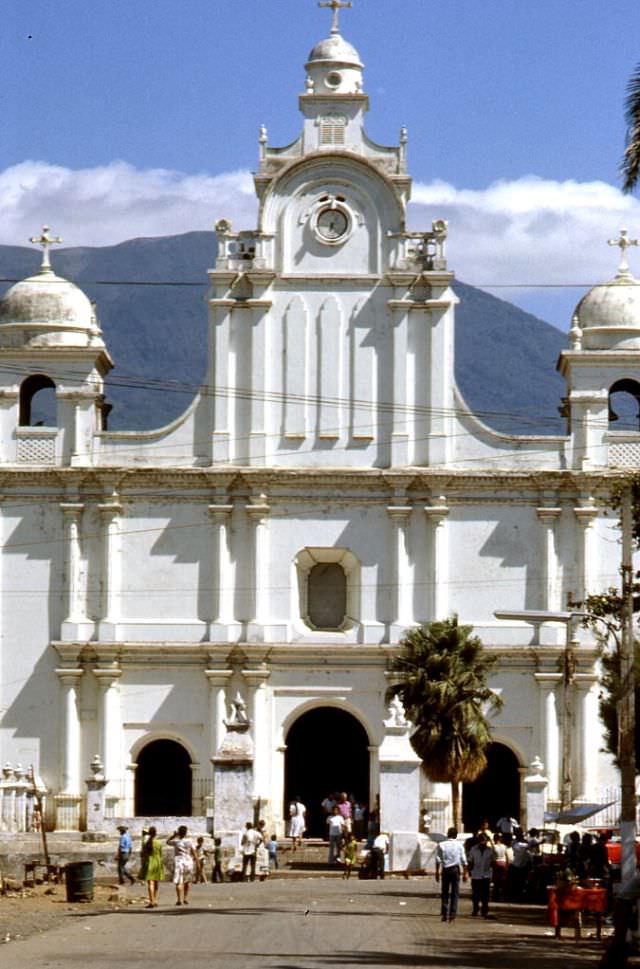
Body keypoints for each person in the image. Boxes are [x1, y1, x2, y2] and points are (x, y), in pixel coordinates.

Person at [435, 827, 468, 923]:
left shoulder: (441, 845)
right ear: (456, 835)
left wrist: (437, 872)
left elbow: (438, 859)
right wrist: (465, 873)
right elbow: (464, 860)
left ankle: (444, 913)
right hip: (455, 870)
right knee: (455, 893)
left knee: (445, 892)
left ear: (447, 834)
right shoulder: (459, 845)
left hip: (445, 870)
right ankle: (452, 914)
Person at [167, 825, 197, 905]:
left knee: (179, 881)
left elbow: (167, 842)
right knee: (188, 881)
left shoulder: (176, 841)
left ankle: (179, 899)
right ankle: (185, 898)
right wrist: (197, 862)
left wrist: (174, 835)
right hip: (188, 862)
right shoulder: (190, 841)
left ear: (179, 832)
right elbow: (194, 852)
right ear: (186, 832)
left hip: (179, 862)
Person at [468, 832, 493, 918]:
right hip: (476, 874)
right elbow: (470, 861)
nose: (483, 842)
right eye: (481, 840)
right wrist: (468, 872)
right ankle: (475, 909)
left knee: (485, 895)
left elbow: (492, 862)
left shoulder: (490, 850)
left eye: (484, 840)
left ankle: (484, 910)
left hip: (486, 875)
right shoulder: (473, 850)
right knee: (475, 894)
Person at [141, 825, 165, 908]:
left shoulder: (146, 843)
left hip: (149, 862)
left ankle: (151, 901)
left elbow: (143, 854)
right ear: (156, 833)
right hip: (158, 862)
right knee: (156, 882)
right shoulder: (159, 843)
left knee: (150, 882)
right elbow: (161, 854)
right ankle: (154, 899)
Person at [491, 832, 509, 902]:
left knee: (496, 882)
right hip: (503, 864)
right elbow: (507, 857)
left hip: (496, 863)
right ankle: (502, 897)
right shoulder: (504, 846)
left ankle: (495, 897)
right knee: (502, 882)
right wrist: (507, 866)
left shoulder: (494, 847)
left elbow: (492, 857)